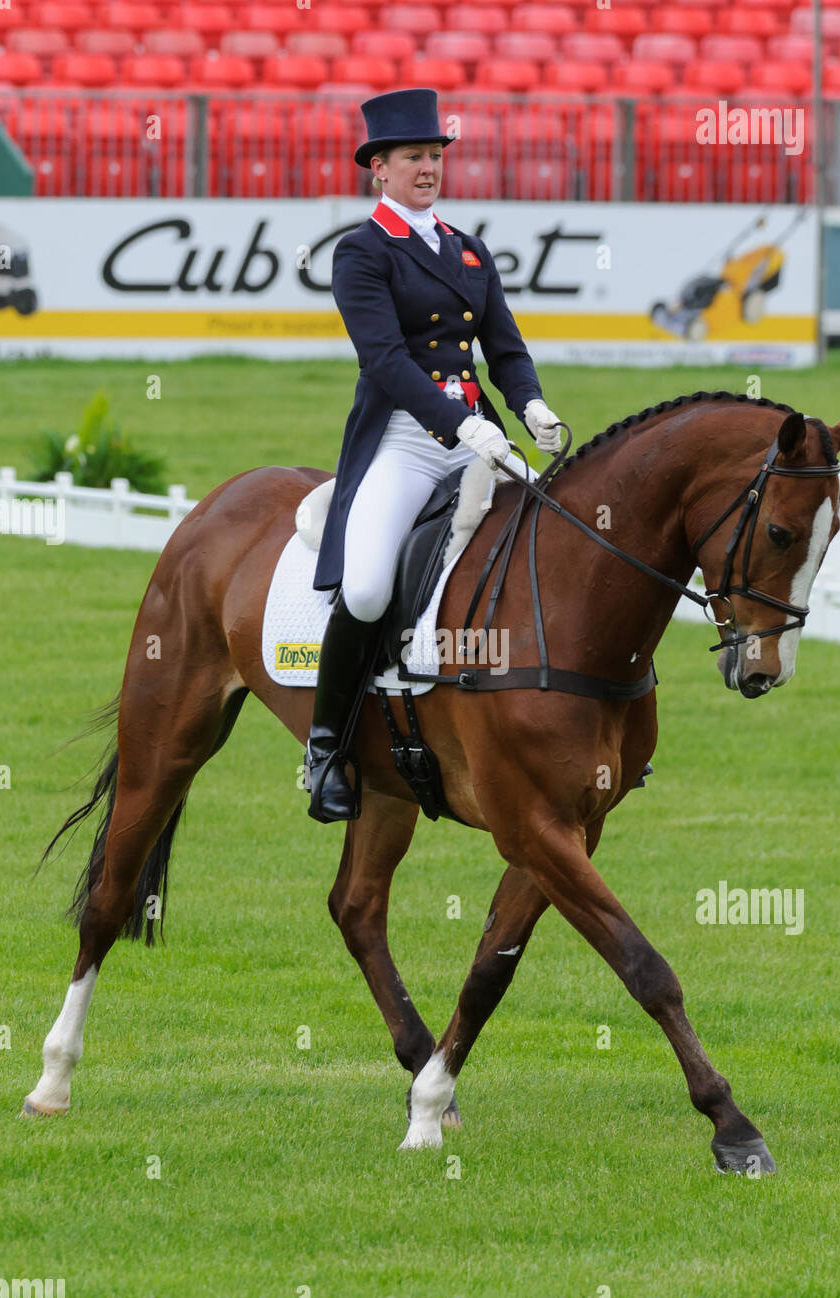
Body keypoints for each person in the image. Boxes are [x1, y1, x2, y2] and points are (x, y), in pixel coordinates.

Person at [304, 88, 563, 823]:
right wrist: (459, 422)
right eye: (413, 157)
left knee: (556, 537)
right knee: (364, 591)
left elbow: (505, 349)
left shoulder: (468, 248)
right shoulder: (361, 252)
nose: (428, 167)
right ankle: (326, 748)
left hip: (476, 434)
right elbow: (385, 360)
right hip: (405, 442)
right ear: (378, 169)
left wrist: (531, 406)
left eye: (436, 155)